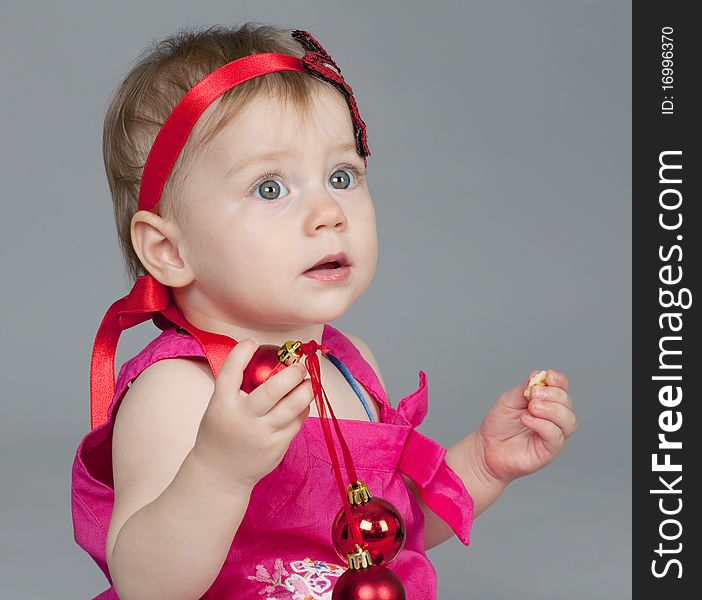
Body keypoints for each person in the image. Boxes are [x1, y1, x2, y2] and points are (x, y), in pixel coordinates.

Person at [71, 22, 577, 600]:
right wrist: (217, 471)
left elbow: (383, 532)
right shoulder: (178, 390)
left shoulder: (350, 365)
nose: (329, 212)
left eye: (342, 176)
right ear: (169, 249)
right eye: (270, 188)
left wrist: (484, 465)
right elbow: (147, 584)